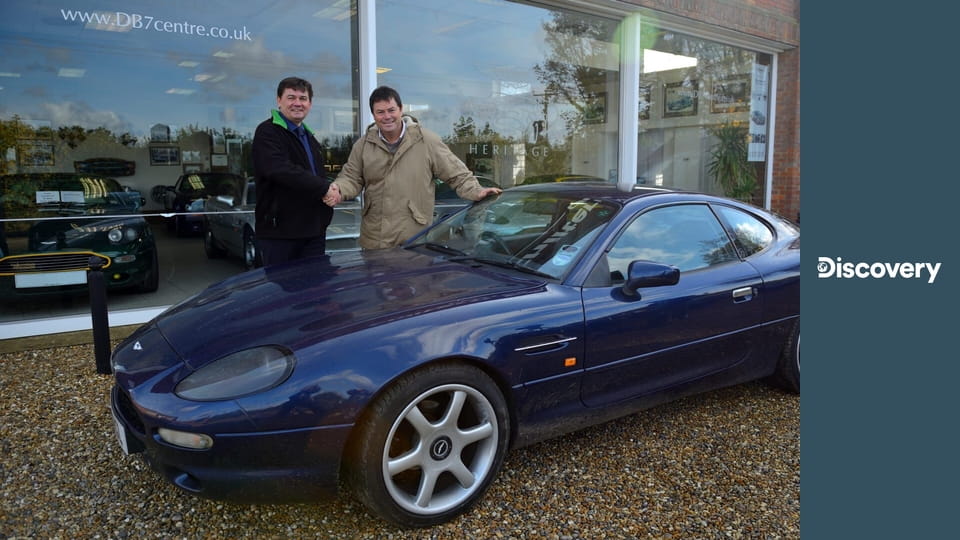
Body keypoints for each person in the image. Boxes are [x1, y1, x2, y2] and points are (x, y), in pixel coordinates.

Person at [324, 86, 501, 249]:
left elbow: (457, 174)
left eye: (391, 110)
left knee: (413, 283)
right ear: (373, 114)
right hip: (374, 239)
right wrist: (339, 189)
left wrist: (477, 191)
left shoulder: (427, 141)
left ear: (401, 110)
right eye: (380, 112)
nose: (387, 116)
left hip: (414, 237)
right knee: (376, 284)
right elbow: (351, 178)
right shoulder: (363, 145)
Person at [252, 76, 336, 265]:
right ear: (279, 100)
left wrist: (330, 194)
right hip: (281, 234)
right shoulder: (267, 132)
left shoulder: (309, 137)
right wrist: (324, 188)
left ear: (310, 103)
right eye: (291, 98)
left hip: (313, 232)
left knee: (316, 291)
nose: (297, 103)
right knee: (283, 292)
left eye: (303, 98)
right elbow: (279, 169)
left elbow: (315, 175)